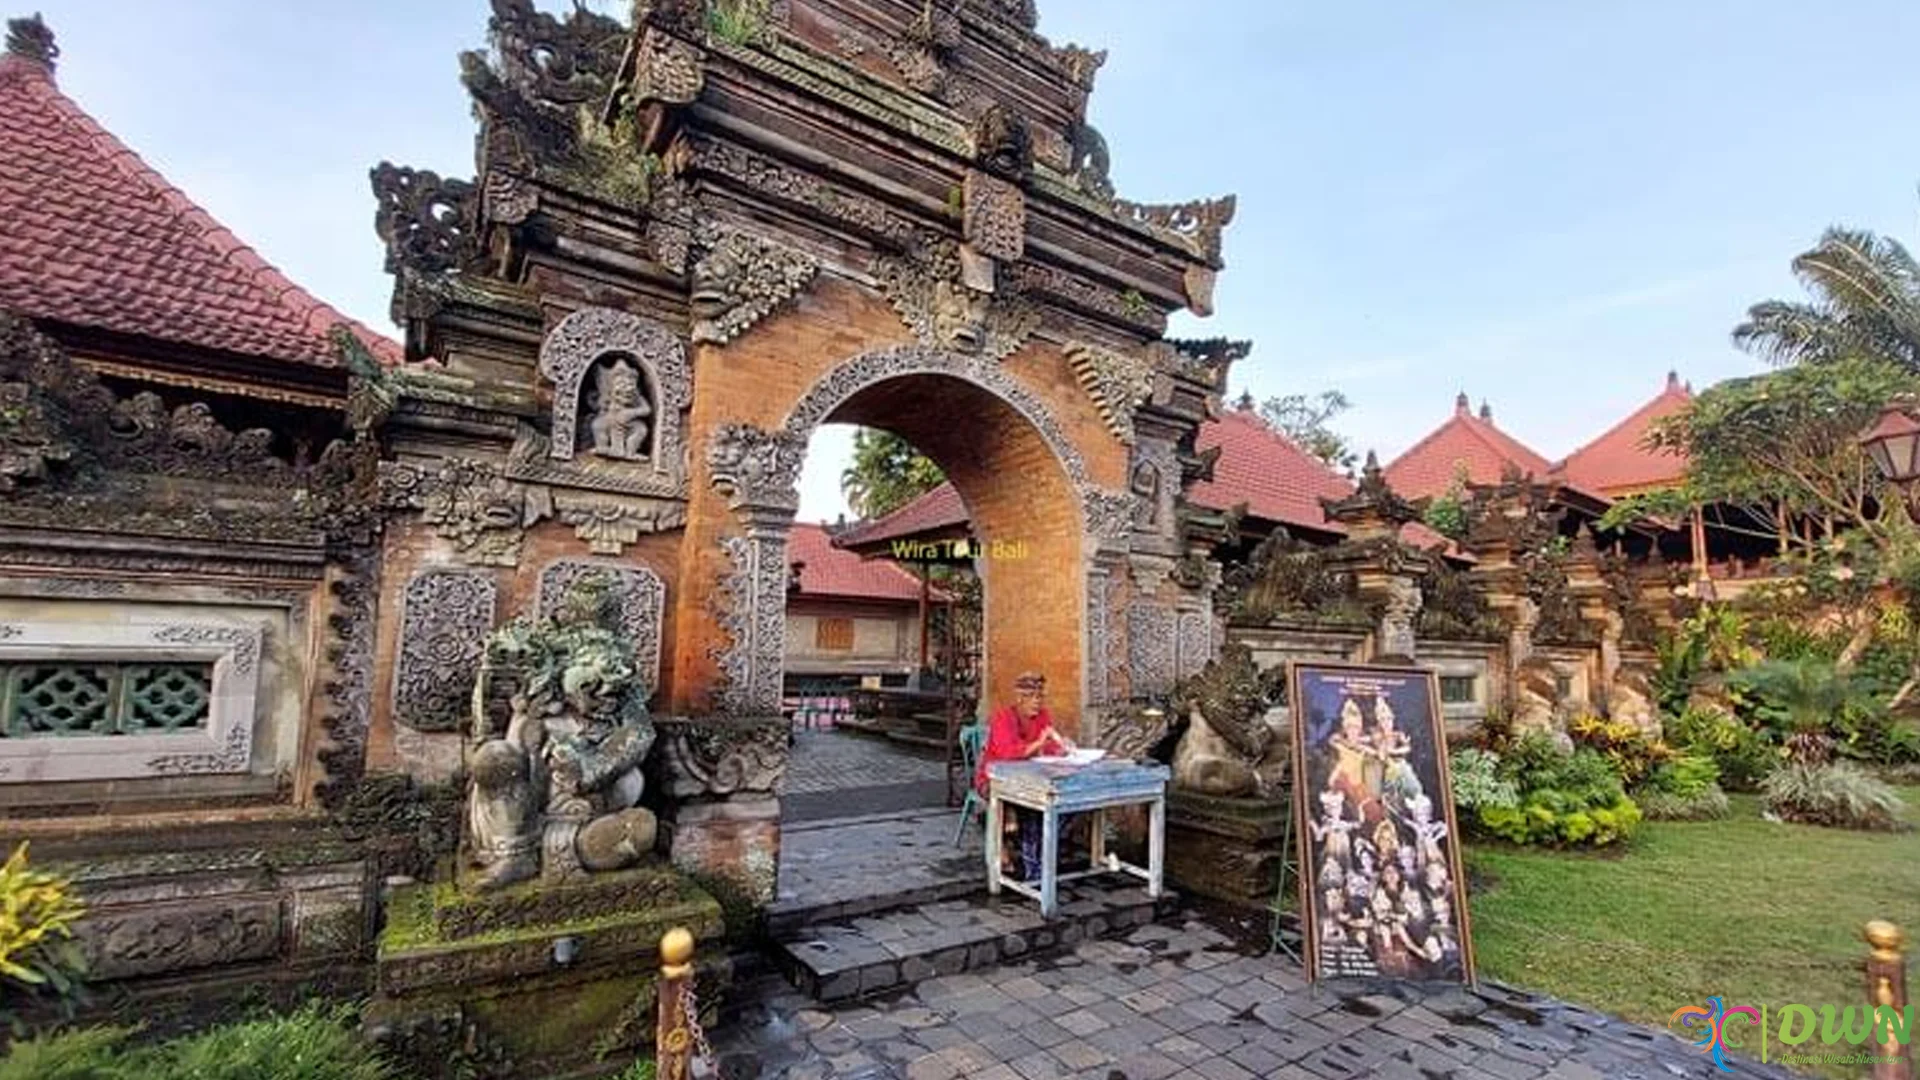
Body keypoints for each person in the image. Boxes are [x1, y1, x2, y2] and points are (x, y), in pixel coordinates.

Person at [976, 671, 1073, 881]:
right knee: (1026, 810)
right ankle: (1014, 844)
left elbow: (1048, 747)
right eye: (1033, 698)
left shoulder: (1043, 716)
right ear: (1020, 699)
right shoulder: (1002, 718)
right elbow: (1008, 753)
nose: (1038, 704)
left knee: (1058, 804)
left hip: (1029, 776)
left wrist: (1060, 749)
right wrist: (1039, 743)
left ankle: (1035, 855)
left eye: (1040, 697)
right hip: (995, 778)